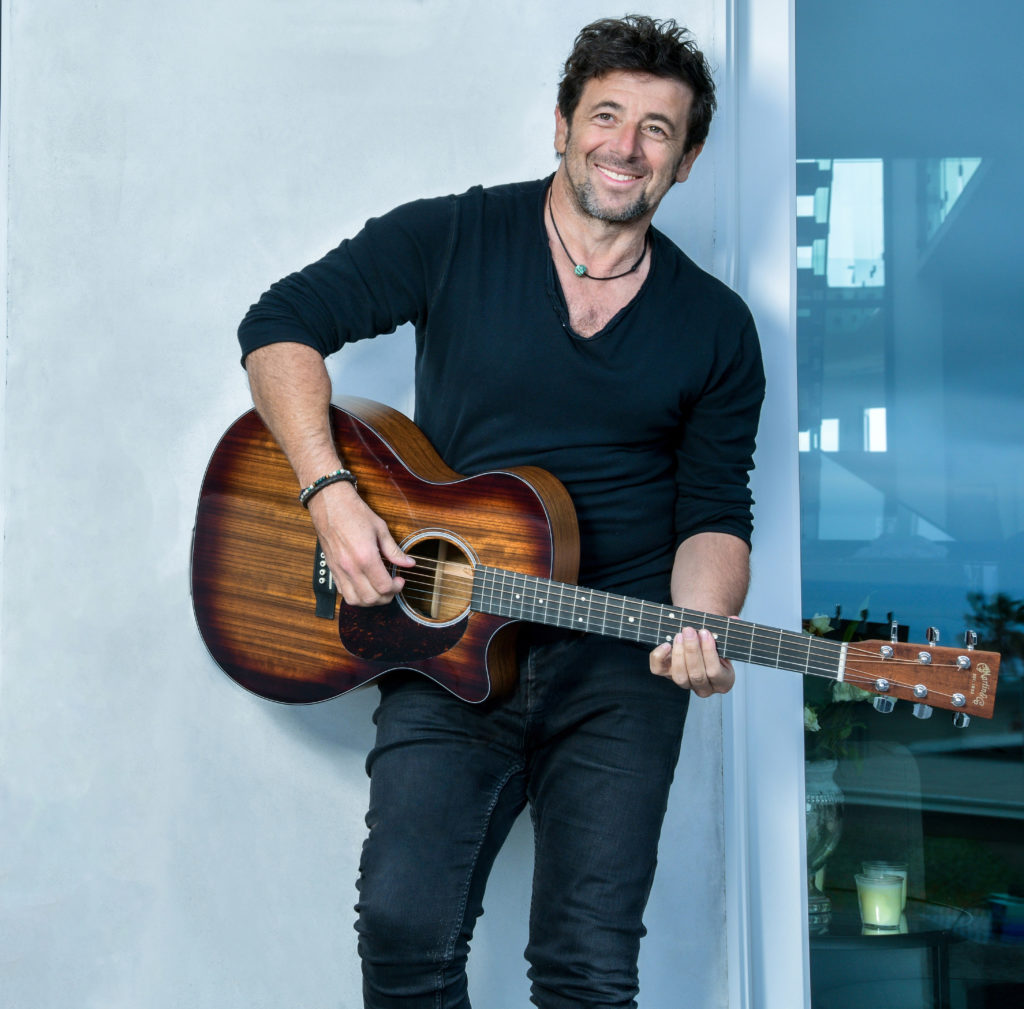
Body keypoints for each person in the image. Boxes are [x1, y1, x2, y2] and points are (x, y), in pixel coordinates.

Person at [237, 14, 764, 1008]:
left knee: (586, 970)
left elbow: (714, 510)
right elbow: (279, 328)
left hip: (618, 668)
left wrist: (702, 619)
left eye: (657, 129)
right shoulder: (451, 236)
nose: (625, 145)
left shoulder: (719, 327)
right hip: (444, 631)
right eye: (605, 115)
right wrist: (329, 495)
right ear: (562, 125)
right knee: (403, 931)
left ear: (686, 161)